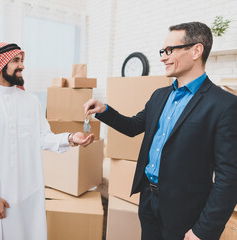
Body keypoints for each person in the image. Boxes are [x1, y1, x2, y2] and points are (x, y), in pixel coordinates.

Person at [84, 22, 237, 240]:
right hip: (149, 200)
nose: (163, 57)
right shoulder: (159, 95)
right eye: (162, 51)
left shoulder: (224, 104)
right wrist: (104, 110)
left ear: (196, 50)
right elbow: (133, 126)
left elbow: (229, 177)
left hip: (186, 211)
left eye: (169, 50)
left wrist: (203, 231)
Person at [0, 42, 94, 240]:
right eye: (16, 60)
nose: (22, 66)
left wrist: (71, 138)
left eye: (22, 61)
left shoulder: (31, 101)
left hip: (28, 195)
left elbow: (42, 137)